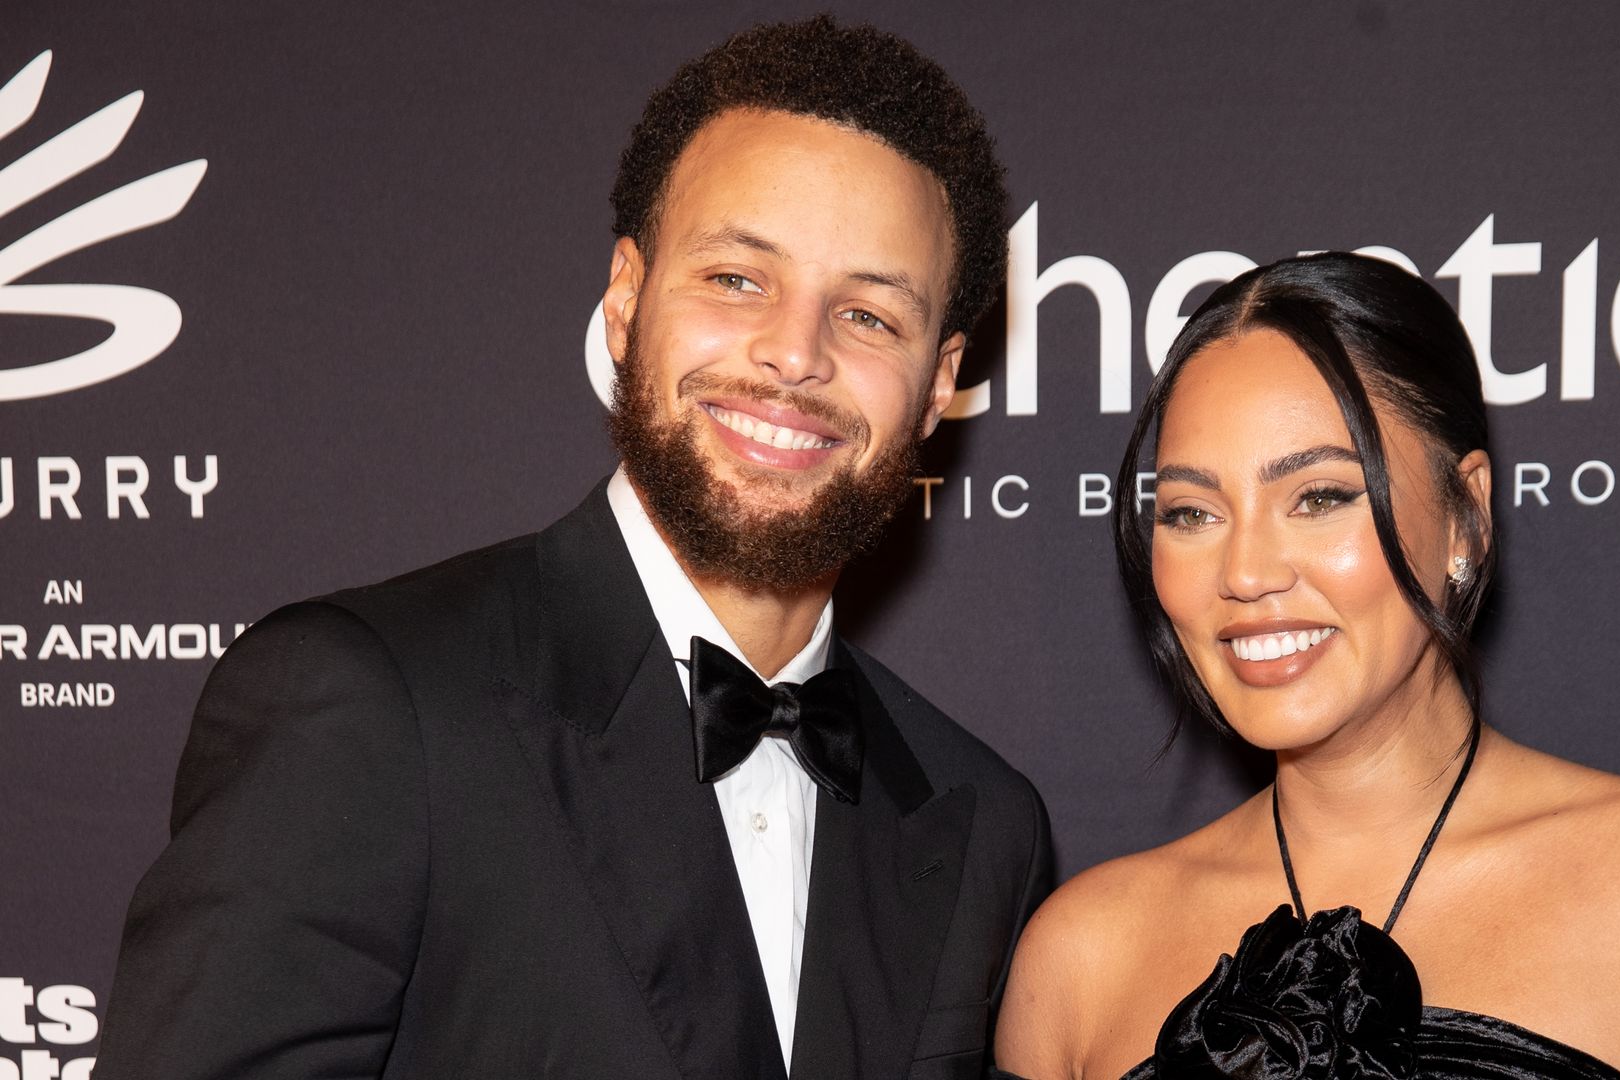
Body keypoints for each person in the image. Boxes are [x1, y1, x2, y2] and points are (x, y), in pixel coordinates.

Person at [95, 16, 1050, 1080]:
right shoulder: (372, 708)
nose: (793, 353)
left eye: (871, 315)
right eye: (738, 278)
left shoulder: (981, 823)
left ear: (938, 380)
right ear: (626, 297)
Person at [993, 254, 1620, 1079]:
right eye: (1192, 512)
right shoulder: (1079, 960)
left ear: (1466, 516)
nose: (1244, 573)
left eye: (1320, 497)